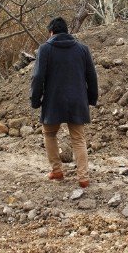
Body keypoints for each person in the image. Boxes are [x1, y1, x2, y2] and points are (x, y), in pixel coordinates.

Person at [30, 17, 98, 188]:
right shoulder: (83, 49)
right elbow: (92, 76)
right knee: (78, 139)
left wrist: (35, 99)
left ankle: (57, 170)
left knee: (49, 134)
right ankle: (83, 177)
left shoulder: (45, 49)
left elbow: (38, 77)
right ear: (67, 31)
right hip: (77, 101)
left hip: (53, 101)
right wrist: (92, 98)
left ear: (51, 32)